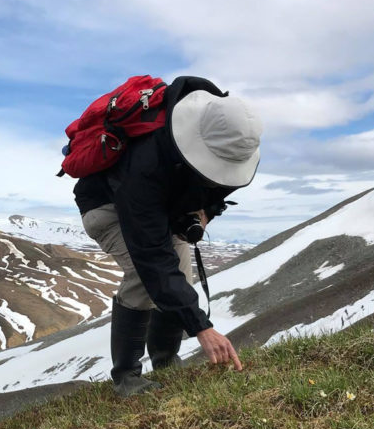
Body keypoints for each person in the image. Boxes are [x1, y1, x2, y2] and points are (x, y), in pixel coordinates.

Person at [75, 76, 261, 396]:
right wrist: (201, 327)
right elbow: (152, 257)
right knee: (144, 276)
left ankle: (165, 360)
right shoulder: (145, 165)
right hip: (107, 208)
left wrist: (204, 214)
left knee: (181, 276)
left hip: (161, 208)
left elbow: (217, 188)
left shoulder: (232, 137)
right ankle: (126, 376)